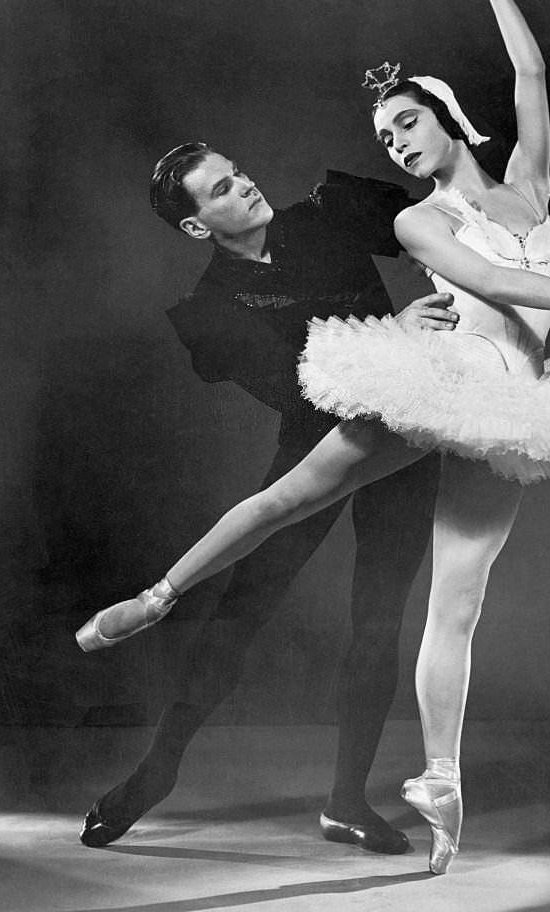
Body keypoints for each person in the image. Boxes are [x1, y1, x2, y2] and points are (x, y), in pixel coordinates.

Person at [77, 0, 550, 873]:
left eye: (408, 124)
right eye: (386, 135)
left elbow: (530, 76)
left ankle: (431, 783)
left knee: (450, 605)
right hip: (421, 388)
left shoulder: (513, 181)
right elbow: (488, 284)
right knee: (285, 504)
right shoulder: (395, 231)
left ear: (446, 121)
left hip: (512, 404)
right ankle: (158, 599)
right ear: (196, 225)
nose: (396, 143)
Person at [78, 146, 460, 854]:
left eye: (240, 170)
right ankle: (156, 774)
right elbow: (300, 391)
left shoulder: (330, 215)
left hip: (406, 430)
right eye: (221, 188)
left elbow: (440, 226)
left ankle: (346, 803)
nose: (247, 184)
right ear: (198, 226)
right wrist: (392, 334)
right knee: (240, 611)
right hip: (315, 447)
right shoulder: (210, 309)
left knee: (378, 623)